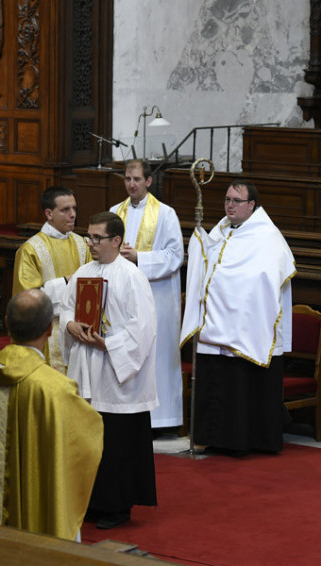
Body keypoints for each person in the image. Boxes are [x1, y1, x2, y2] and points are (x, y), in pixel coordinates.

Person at [0, 289, 103, 540]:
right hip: (33, 513)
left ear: (7, 324)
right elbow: (86, 443)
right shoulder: (55, 390)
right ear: (49, 329)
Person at [180, 180, 295, 454]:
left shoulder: (267, 237)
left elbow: (263, 279)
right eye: (227, 199)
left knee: (242, 384)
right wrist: (199, 244)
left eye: (236, 201)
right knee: (215, 379)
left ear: (251, 205)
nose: (229, 205)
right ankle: (211, 436)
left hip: (247, 325)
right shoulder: (220, 230)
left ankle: (245, 441)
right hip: (216, 323)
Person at [59, 211, 158, 529]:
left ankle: (117, 506)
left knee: (116, 443)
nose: (90, 243)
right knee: (87, 441)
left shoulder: (132, 277)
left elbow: (143, 328)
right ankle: (90, 501)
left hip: (117, 374)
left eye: (97, 238)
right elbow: (65, 308)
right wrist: (70, 325)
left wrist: (109, 345)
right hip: (86, 367)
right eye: (89, 237)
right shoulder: (83, 272)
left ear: (116, 240)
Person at [110, 159, 184, 432]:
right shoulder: (114, 212)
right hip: (122, 297)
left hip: (157, 298)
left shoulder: (165, 214)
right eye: (128, 179)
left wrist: (140, 257)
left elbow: (175, 256)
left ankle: (161, 420)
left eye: (137, 179)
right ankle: (127, 415)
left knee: (157, 356)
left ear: (149, 181)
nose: (131, 184)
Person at [13, 186, 89, 371]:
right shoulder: (31, 249)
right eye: (65, 210)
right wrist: (66, 282)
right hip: (47, 334)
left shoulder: (82, 244)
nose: (73, 214)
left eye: (74, 208)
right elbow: (27, 300)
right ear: (49, 213)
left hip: (79, 330)